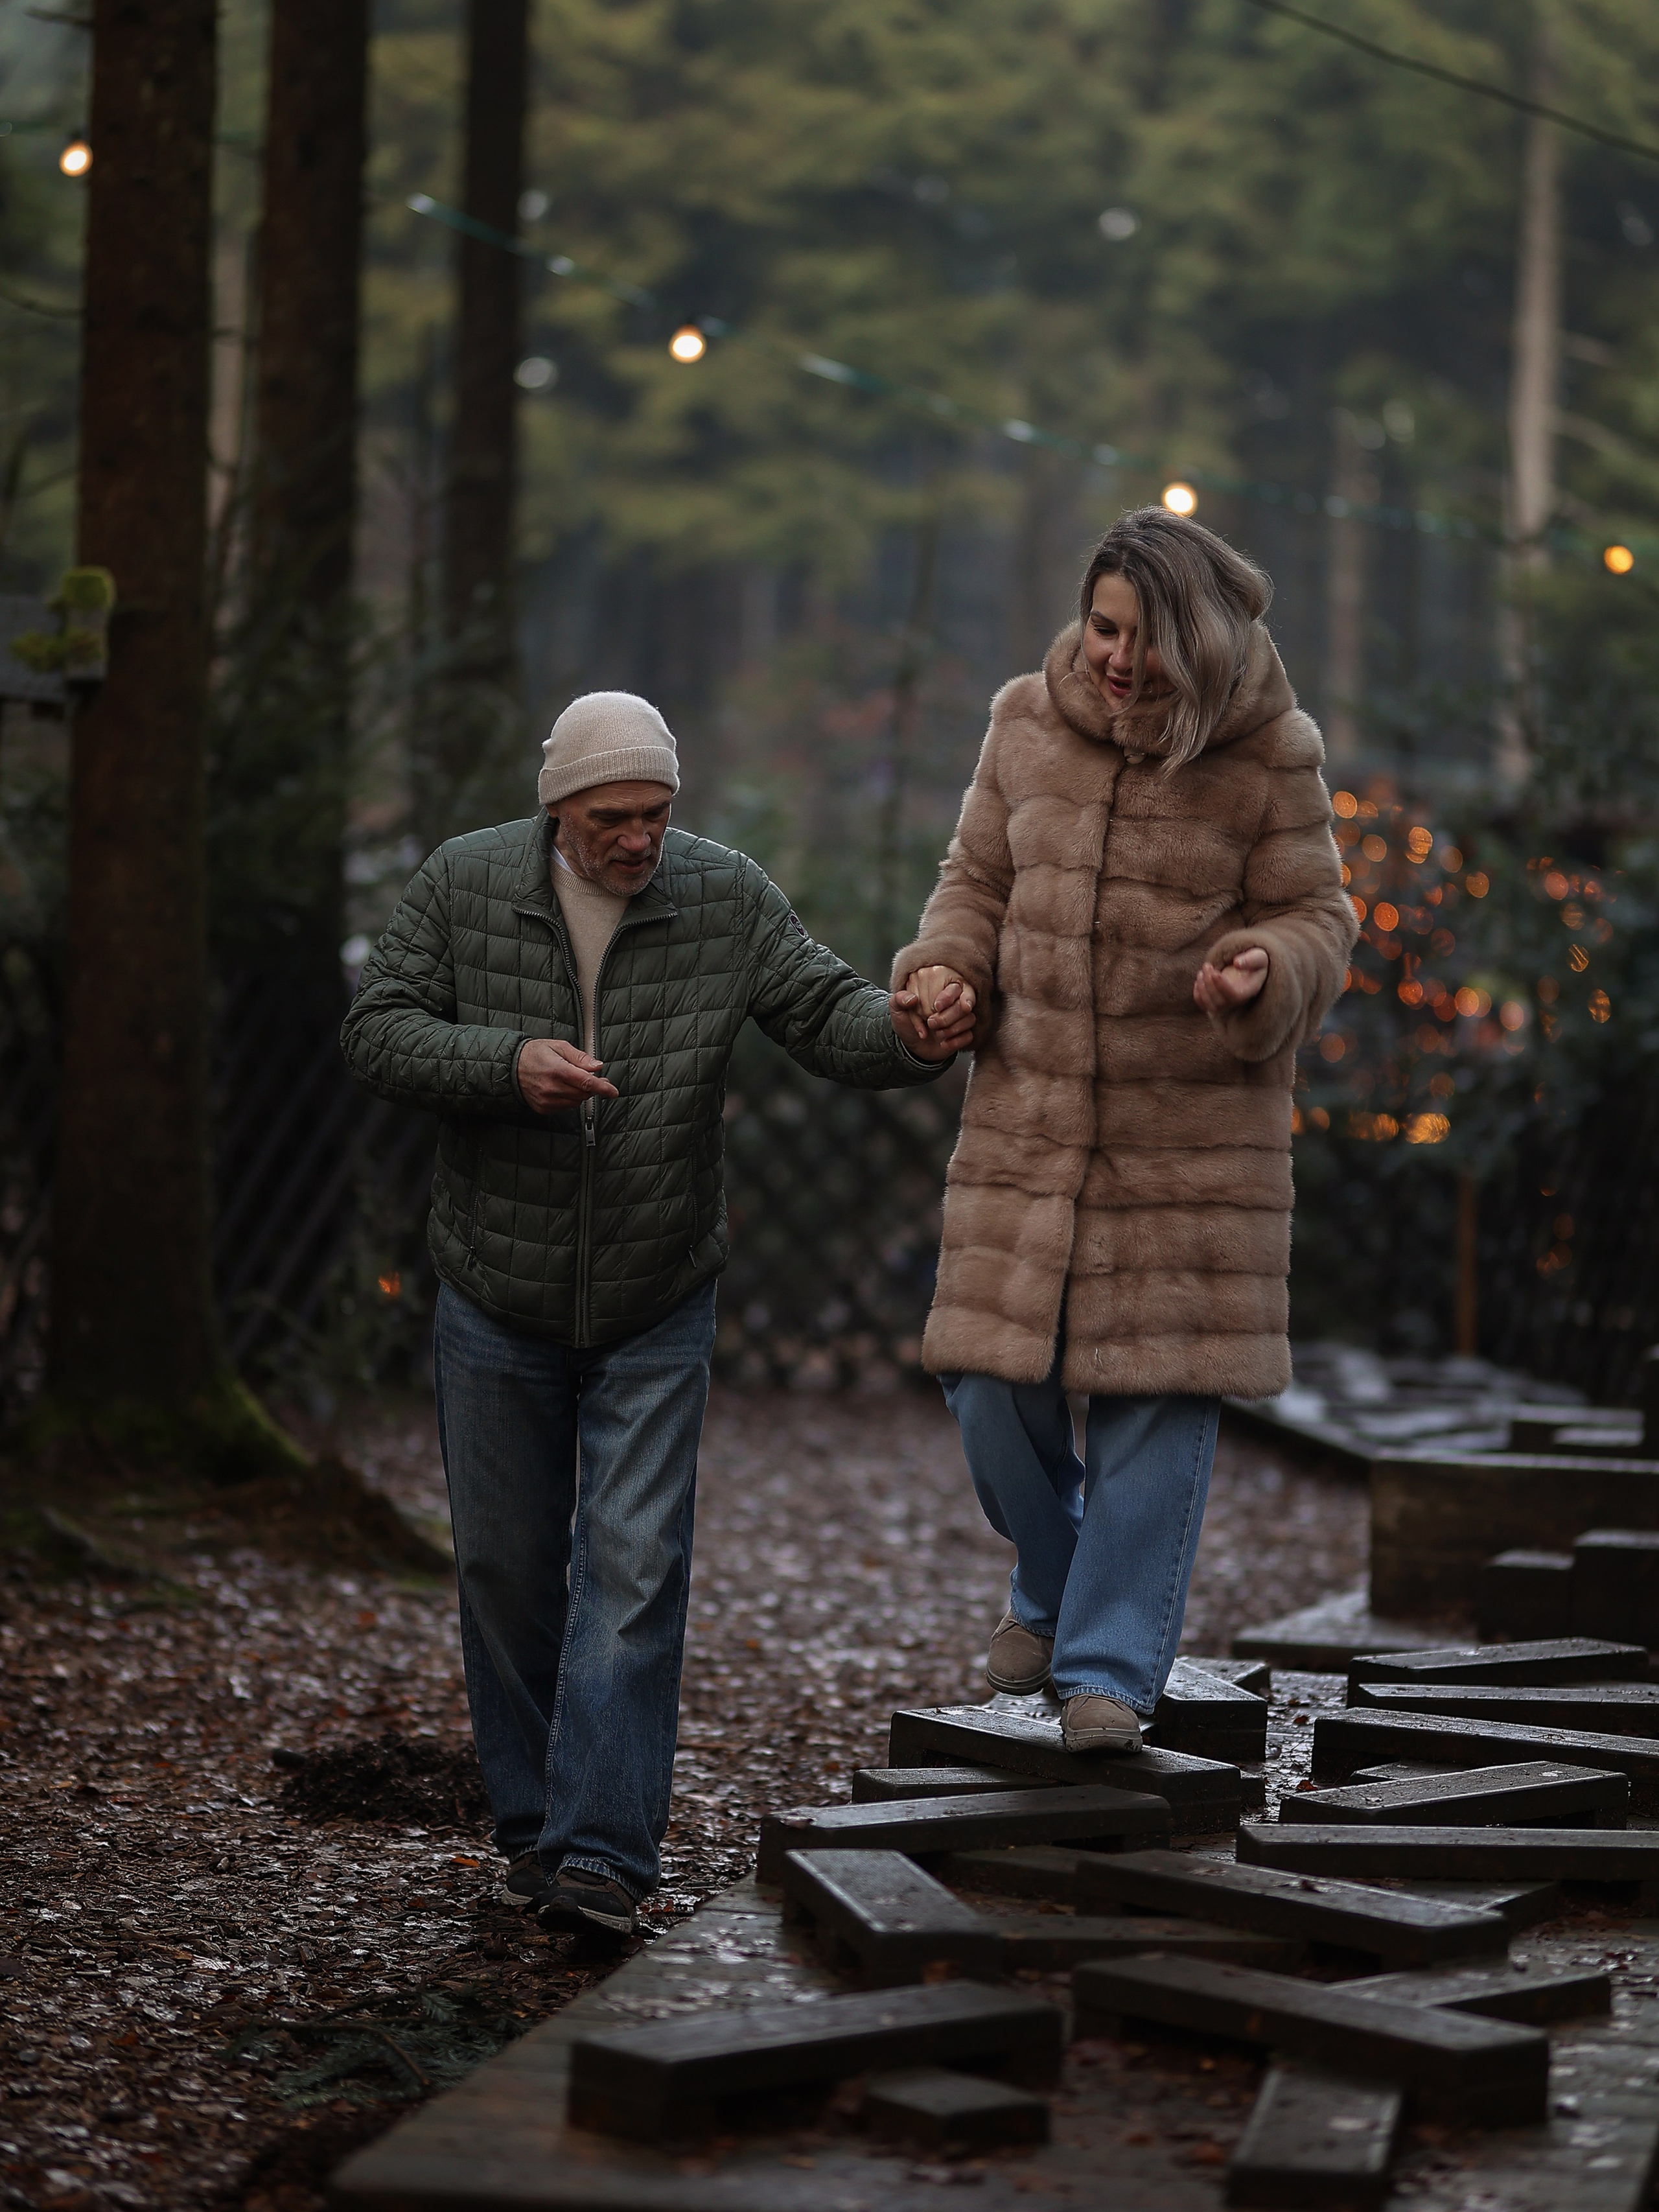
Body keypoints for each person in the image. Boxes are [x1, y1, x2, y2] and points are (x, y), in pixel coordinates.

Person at [342, 692, 969, 1936]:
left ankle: (602, 1858)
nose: (640, 839)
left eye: (657, 814)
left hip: (657, 1288)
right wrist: (503, 1064)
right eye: (613, 818)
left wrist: (910, 1032)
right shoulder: (465, 885)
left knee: (632, 1572)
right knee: (507, 1570)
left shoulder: (721, 895)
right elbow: (376, 1031)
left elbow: (825, 1014)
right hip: (494, 1289)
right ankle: (530, 1828)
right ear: (559, 812)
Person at [889, 507, 1356, 1754]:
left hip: (1192, 1148)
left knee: (1154, 1406)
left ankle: (1104, 1665)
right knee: (988, 1386)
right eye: (1103, 626)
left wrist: (1265, 966)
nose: (1115, 657)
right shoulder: (1021, 724)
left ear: (1197, 643)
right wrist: (947, 969)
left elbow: (1322, 918)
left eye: (1144, 639)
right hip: (1028, 1128)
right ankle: (1050, 1574)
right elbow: (974, 884)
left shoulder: (1269, 753)